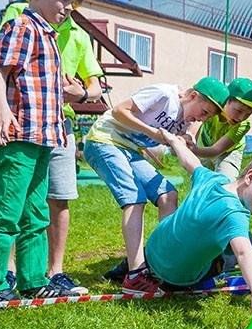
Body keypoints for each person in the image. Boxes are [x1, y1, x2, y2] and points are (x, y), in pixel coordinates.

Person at [0, 0, 87, 304]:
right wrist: (4, 110)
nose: (66, 8)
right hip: (19, 135)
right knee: (6, 210)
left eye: (71, 2)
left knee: (36, 211)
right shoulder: (22, 26)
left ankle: (33, 279)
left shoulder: (49, 36)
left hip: (44, 137)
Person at [0, 0, 104, 295]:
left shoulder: (78, 34)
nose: (74, 4)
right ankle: (5, 273)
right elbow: (1, 61)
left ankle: (49, 273)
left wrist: (79, 92)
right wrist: (1, 108)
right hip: (24, 124)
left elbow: (96, 87)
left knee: (57, 198)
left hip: (59, 126)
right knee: (14, 201)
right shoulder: (20, 17)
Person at [83, 77, 226, 295]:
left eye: (207, 117)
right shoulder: (164, 94)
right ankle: (135, 275)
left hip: (131, 149)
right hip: (104, 140)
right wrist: (153, 133)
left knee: (168, 194)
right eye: (204, 112)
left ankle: (164, 262)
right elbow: (119, 111)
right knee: (134, 198)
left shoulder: (187, 118)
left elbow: (188, 132)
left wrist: (187, 138)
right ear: (193, 96)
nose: (202, 118)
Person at [138, 134, 252, 311]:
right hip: (177, 280)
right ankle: (211, 276)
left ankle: (125, 268)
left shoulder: (212, 179)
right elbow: (243, 252)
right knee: (247, 240)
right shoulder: (235, 213)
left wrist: (174, 141)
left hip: (151, 253)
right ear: (250, 177)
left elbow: (191, 162)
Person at [192, 77, 252, 180]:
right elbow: (196, 123)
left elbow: (216, 150)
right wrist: (190, 140)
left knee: (225, 181)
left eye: (248, 114)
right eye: (239, 111)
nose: (241, 118)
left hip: (228, 152)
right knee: (200, 180)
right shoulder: (213, 108)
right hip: (203, 145)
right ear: (227, 101)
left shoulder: (243, 125)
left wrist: (192, 149)